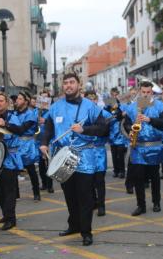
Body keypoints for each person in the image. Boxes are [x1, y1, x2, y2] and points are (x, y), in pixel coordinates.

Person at [39, 73, 109, 246]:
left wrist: (83, 130)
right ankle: (74, 225)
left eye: (72, 82)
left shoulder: (90, 106)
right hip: (62, 156)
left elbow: (103, 128)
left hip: (84, 156)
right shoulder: (56, 107)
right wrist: (44, 143)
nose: (68, 85)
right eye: (65, 83)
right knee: (69, 195)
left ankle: (86, 232)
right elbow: (48, 126)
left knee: (85, 196)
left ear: (79, 85)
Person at [120, 81, 163, 216]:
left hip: (154, 147)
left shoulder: (160, 106)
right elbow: (126, 124)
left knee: (154, 178)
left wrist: (150, 120)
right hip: (138, 147)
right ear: (139, 92)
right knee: (138, 179)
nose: (146, 95)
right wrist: (131, 129)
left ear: (152, 92)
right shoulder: (132, 107)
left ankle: (156, 202)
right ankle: (140, 205)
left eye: (148, 92)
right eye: (143, 92)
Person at [0, 91, 24, 230]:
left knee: (10, 190)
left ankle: (11, 218)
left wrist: (5, 124)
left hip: (10, 158)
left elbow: (19, 130)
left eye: (1, 101)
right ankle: (5, 214)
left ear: (6, 103)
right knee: (0, 189)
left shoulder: (13, 117)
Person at [85, 90, 109, 217]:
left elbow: (105, 131)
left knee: (100, 180)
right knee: (88, 180)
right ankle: (93, 202)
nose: (91, 102)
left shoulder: (104, 113)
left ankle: (101, 205)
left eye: (93, 99)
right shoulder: (81, 114)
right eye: (88, 99)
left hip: (99, 150)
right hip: (86, 151)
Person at [13, 91, 41, 201]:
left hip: (27, 144)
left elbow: (22, 129)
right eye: (17, 99)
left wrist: (9, 126)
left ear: (25, 101)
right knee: (14, 169)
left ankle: (36, 192)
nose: (17, 101)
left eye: (20, 99)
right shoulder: (14, 114)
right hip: (16, 144)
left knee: (31, 169)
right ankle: (16, 194)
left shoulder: (30, 114)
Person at [106, 89, 127, 180]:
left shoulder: (122, 104)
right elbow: (107, 115)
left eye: (116, 95)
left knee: (120, 154)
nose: (114, 96)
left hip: (120, 132)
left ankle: (122, 171)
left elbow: (122, 115)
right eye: (112, 95)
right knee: (114, 154)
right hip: (112, 133)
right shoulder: (108, 105)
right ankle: (116, 170)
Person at [36, 91, 54, 193]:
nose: (43, 101)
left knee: (49, 163)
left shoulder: (51, 111)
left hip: (49, 141)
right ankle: (44, 183)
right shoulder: (36, 111)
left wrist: (46, 121)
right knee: (41, 165)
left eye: (45, 98)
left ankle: (50, 185)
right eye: (41, 98)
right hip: (38, 140)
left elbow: (56, 124)